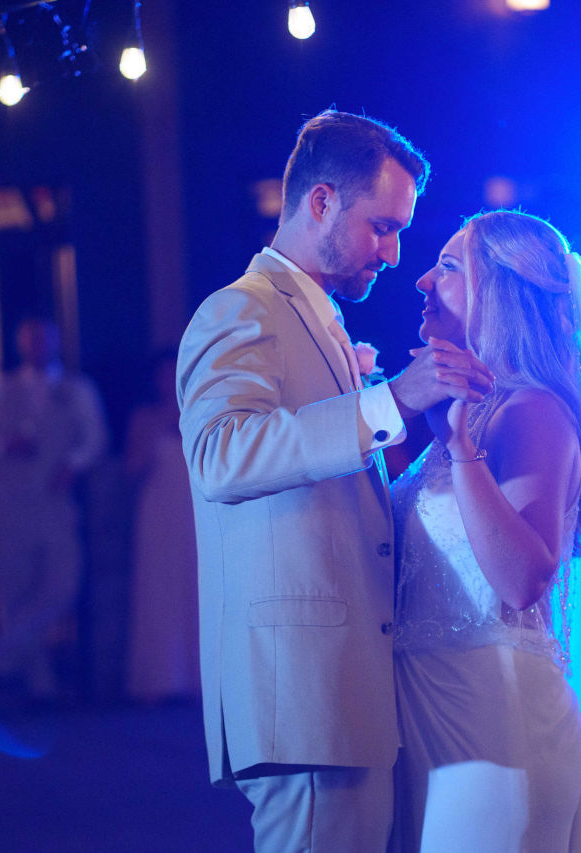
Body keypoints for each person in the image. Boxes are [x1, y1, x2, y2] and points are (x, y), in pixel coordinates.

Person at [177, 110, 492, 852]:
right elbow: (221, 455)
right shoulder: (239, 309)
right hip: (304, 699)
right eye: (381, 226)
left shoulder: (317, 318)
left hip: (340, 697)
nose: (392, 253)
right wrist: (386, 402)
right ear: (320, 202)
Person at [391, 211, 581, 852]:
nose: (422, 278)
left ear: (500, 293)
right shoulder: (462, 413)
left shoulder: (532, 411)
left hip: (495, 722)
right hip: (429, 711)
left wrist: (459, 447)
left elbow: (523, 577)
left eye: (449, 268)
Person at [0, 317, 107, 701]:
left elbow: (94, 439)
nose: (38, 346)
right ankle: (37, 684)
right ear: (20, 344)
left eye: (44, 338)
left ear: (56, 340)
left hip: (55, 502)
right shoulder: (3, 389)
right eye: (30, 339)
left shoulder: (76, 388)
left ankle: (1, 653)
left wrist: (72, 463)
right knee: (15, 589)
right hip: (9, 503)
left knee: (64, 582)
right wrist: (4, 447)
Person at [124, 349, 199, 703]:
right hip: (159, 510)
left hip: (195, 509)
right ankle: (161, 677)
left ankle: (198, 678)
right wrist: (154, 432)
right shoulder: (145, 418)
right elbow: (131, 468)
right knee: (160, 586)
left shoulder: (202, 411)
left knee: (196, 585)